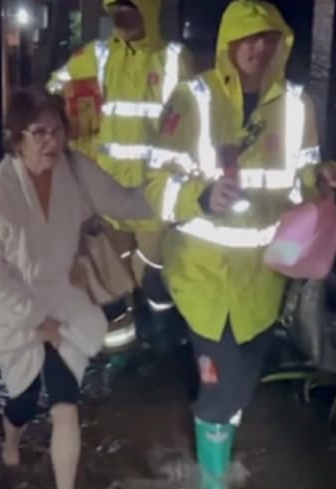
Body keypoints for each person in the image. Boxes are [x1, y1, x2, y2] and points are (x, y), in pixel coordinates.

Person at [144, 0, 336, 489]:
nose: (258, 48)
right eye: (247, 38)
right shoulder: (193, 99)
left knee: (241, 384)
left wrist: (322, 180)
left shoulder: (297, 106)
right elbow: (155, 185)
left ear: (282, 43)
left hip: (265, 275)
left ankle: (215, 457)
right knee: (219, 388)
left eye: (268, 38)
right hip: (204, 277)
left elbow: (299, 181)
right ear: (228, 43)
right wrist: (200, 196)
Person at [0, 87, 155, 489]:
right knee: (26, 399)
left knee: (66, 404)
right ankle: (11, 442)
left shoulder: (75, 170)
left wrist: (180, 193)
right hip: (13, 308)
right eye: (39, 133)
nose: (51, 141)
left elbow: (127, 202)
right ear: (17, 138)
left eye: (57, 130)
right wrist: (36, 319)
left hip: (65, 301)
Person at [48, 0, 194, 359]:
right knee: (112, 284)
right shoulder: (93, 57)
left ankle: (162, 343)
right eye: (115, 6)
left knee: (154, 280)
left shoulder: (175, 60)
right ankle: (121, 358)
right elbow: (52, 93)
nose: (121, 14)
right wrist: (56, 109)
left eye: (130, 6)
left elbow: (195, 122)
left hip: (154, 200)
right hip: (105, 199)